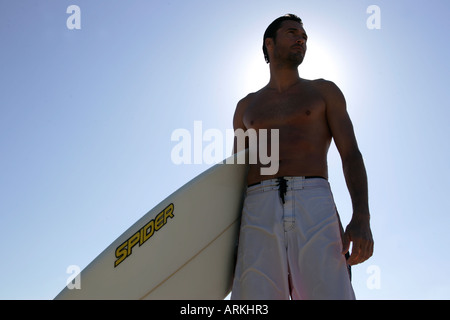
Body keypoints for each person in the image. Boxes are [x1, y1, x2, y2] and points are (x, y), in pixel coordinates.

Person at [231, 14, 374, 300]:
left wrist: (362, 216)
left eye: (305, 37)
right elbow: (237, 173)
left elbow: (351, 154)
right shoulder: (246, 106)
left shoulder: (323, 91)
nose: (301, 39)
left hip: (313, 200)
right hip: (258, 205)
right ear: (269, 44)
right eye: (293, 33)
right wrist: (227, 238)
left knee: (330, 294)